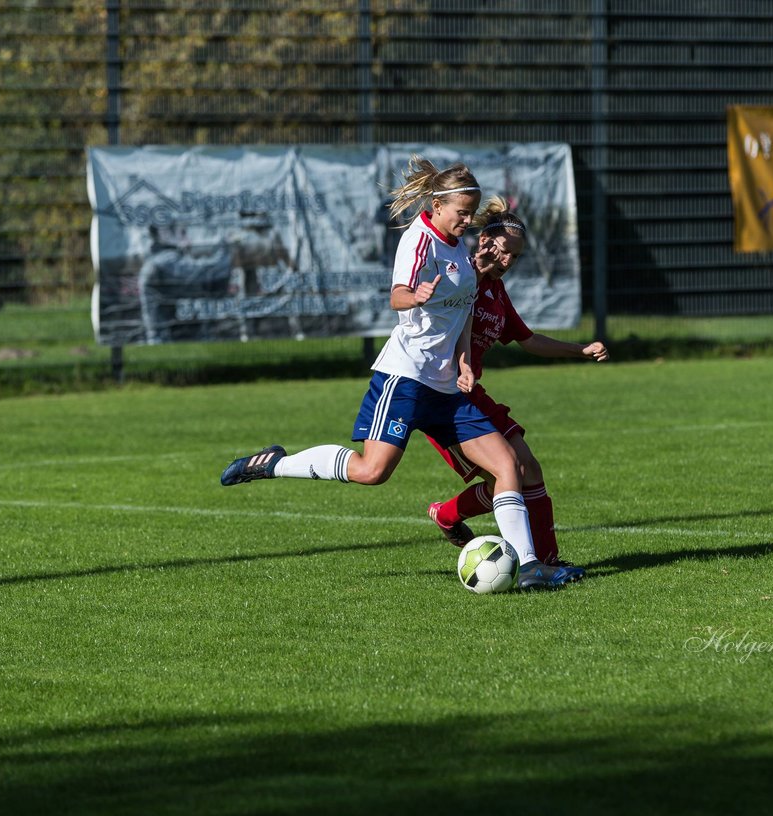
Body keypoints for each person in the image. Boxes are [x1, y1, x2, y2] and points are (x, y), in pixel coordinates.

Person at [219, 156, 583, 590]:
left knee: (508, 466)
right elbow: (396, 296)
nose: (466, 220)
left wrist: (465, 362)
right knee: (373, 471)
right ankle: (275, 464)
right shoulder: (420, 240)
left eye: (471, 213)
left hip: (447, 390)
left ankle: (527, 567)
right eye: (461, 213)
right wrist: (416, 295)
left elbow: (464, 317)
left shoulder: (462, 255)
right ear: (437, 204)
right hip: (405, 377)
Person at [425, 199, 608, 566]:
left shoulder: (496, 291)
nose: (508, 262)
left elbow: (527, 339)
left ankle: (549, 561)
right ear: (485, 242)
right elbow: (443, 302)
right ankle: (457, 520)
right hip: (442, 396)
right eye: (506, 252)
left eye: (515, 257)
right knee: (507, 477)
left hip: (473, 394)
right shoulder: (457, 272)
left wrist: (579, 350)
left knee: (527, 471)